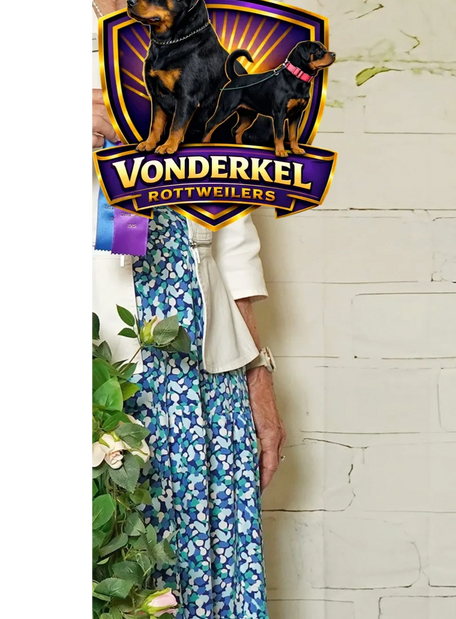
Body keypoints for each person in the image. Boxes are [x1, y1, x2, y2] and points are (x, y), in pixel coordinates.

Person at [89, 2, 283, 617]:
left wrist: (257, 376)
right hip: (101, 353)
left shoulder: (202, 29)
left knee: (203, 579)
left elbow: (234, 240)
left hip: (202, 366)